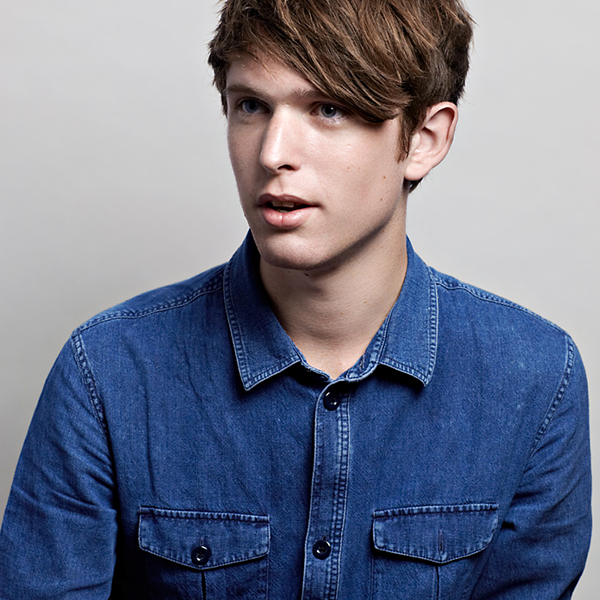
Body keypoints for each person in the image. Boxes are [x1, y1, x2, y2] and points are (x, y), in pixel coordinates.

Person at [0, 0, 591, 597]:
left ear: (424, 139)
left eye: (328, 109)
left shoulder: (537, 378)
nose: (272, 153)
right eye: (251, 106)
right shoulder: (106, 371)